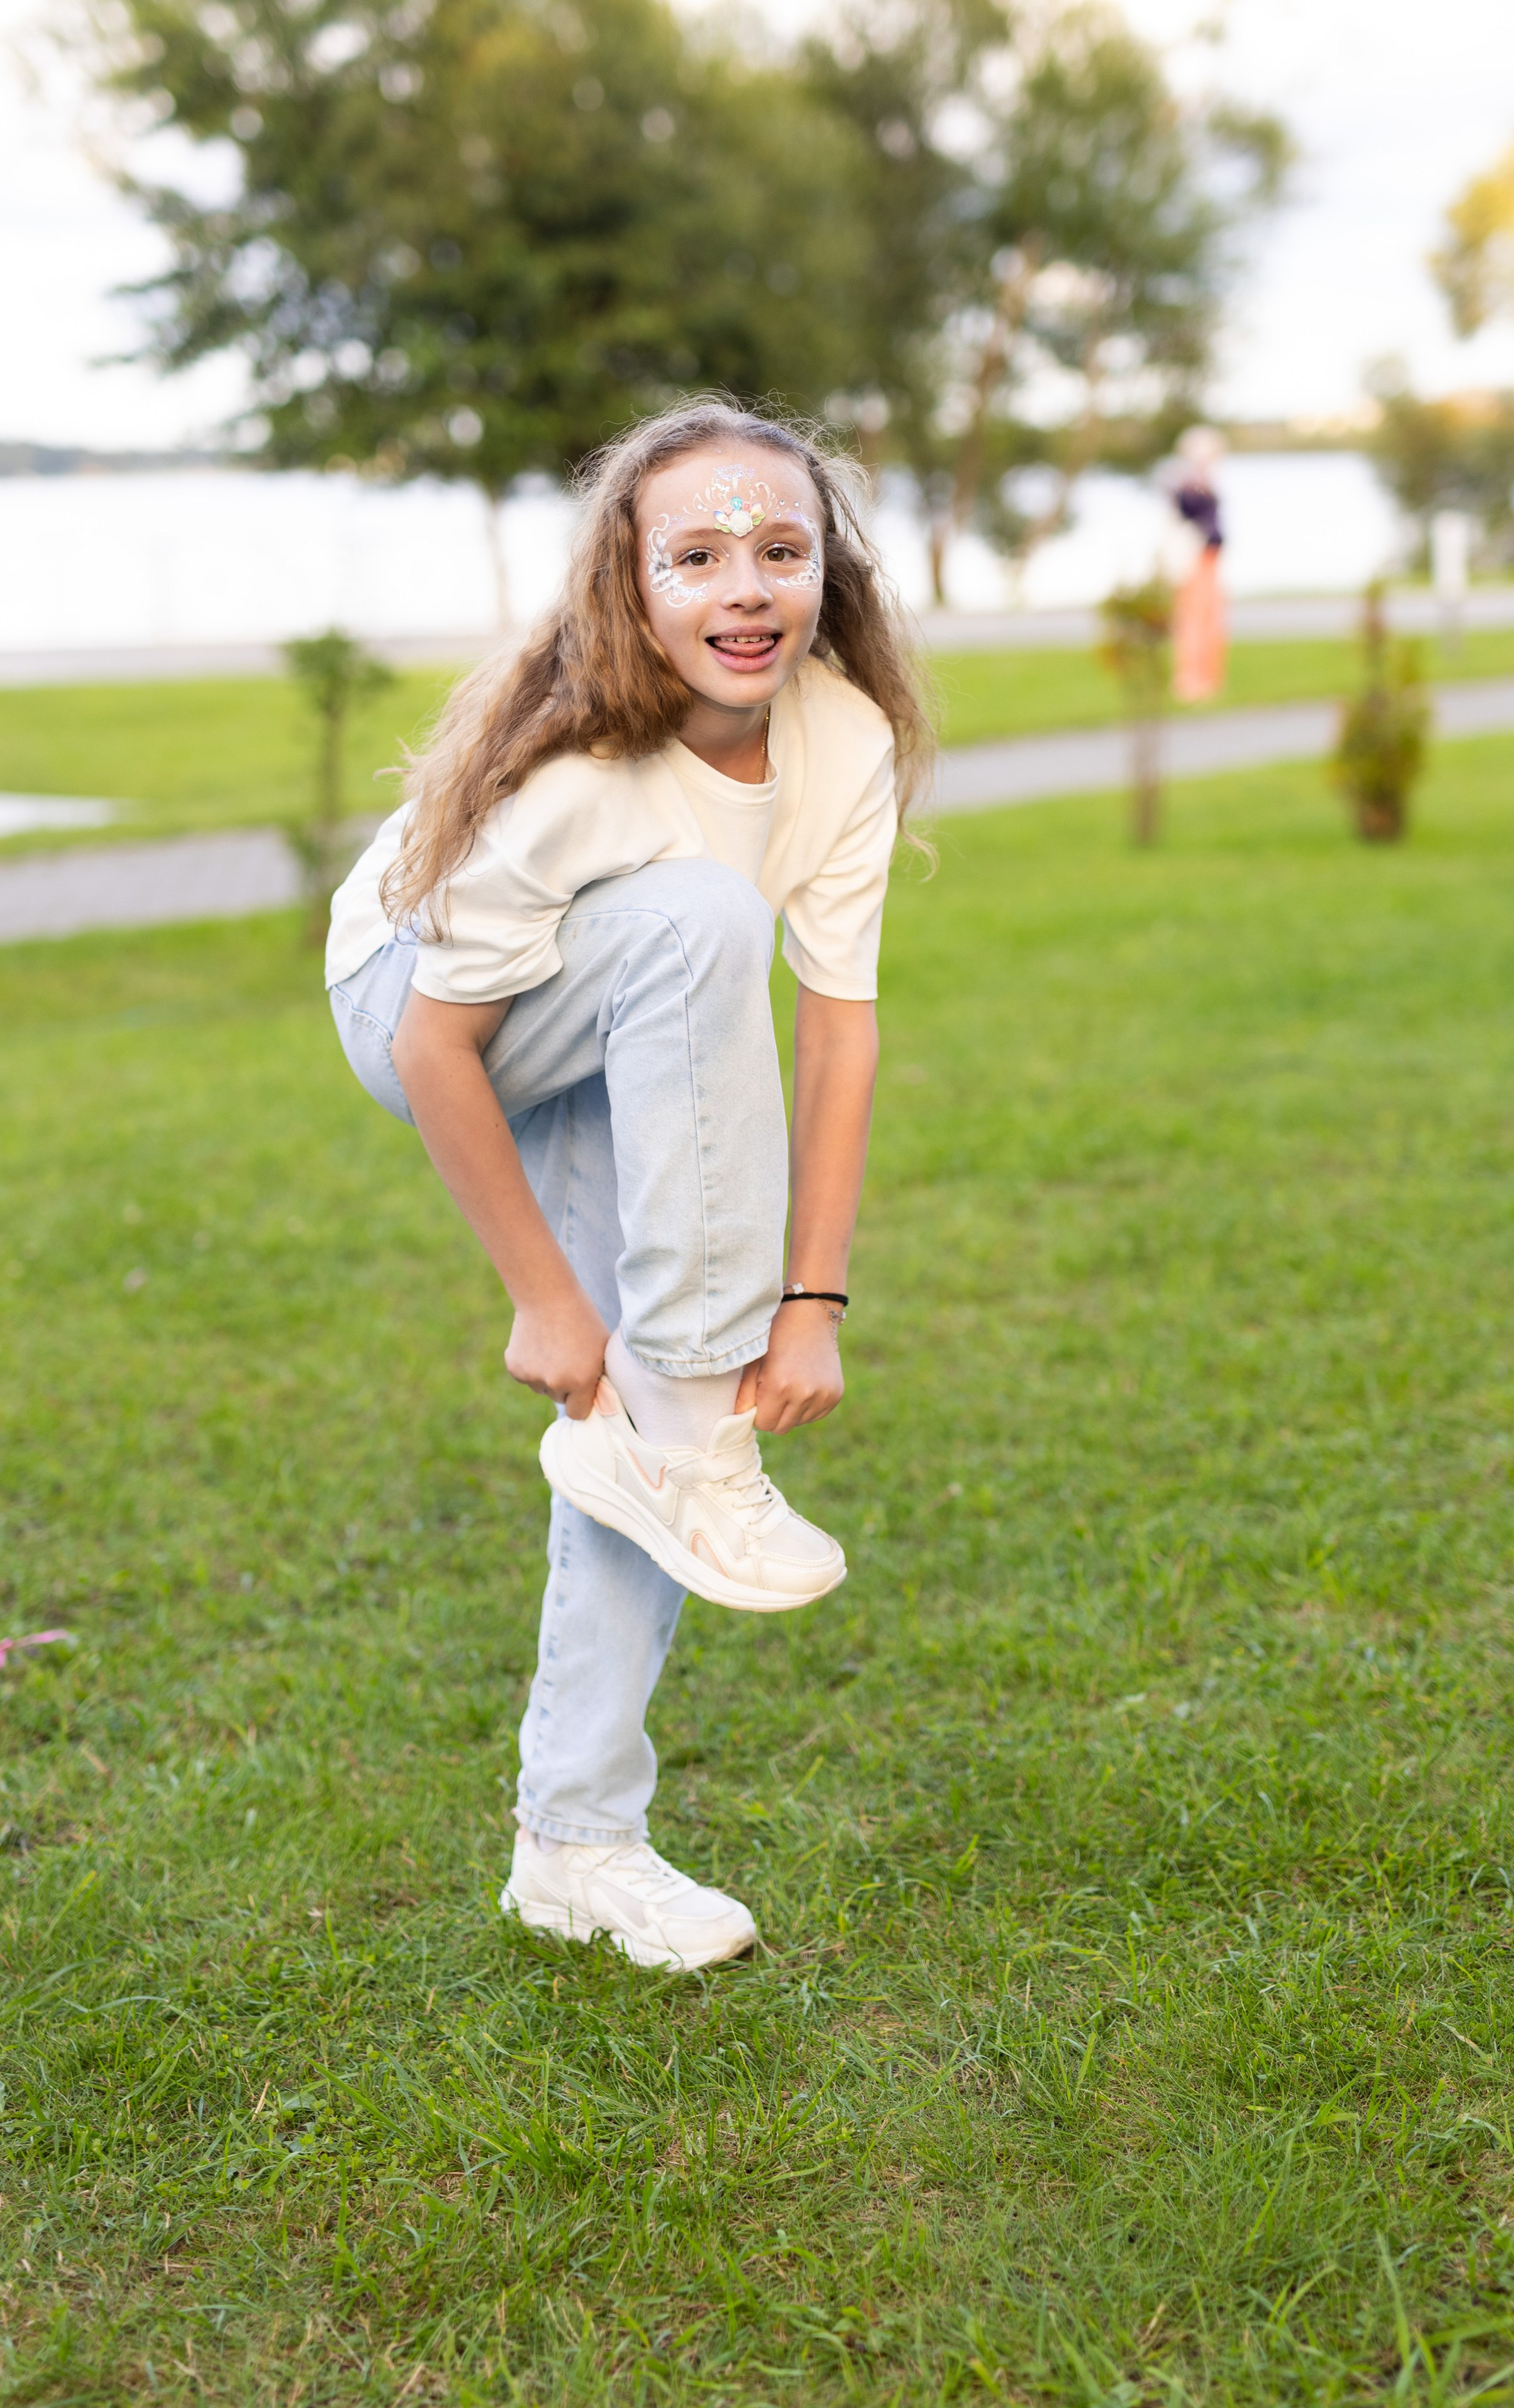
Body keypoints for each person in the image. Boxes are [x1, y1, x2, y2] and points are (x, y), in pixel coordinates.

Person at [325, 401, 932, 1971]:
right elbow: (436, 1047)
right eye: (697, 555)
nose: (746, 586)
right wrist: (540, 1291)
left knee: (652, 1415)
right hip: (420, 999)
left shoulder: (840, 737)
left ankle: (574, 1843)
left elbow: (840, 1034)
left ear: (825, 575)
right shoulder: (577, 773)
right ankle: (676, 1441)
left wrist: (804, 1305)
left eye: (779, 550)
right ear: (631, 584)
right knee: (697, 920)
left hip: (642, 984)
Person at [1164, 425, 1229, 703]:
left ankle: (1208, 678)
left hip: (1209, 557)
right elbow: (1184, 516)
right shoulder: (1187, 485)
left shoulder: (1203, 482)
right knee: (1193, 618)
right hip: (1194, 558)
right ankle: (1190, 679)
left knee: (1211, 618)